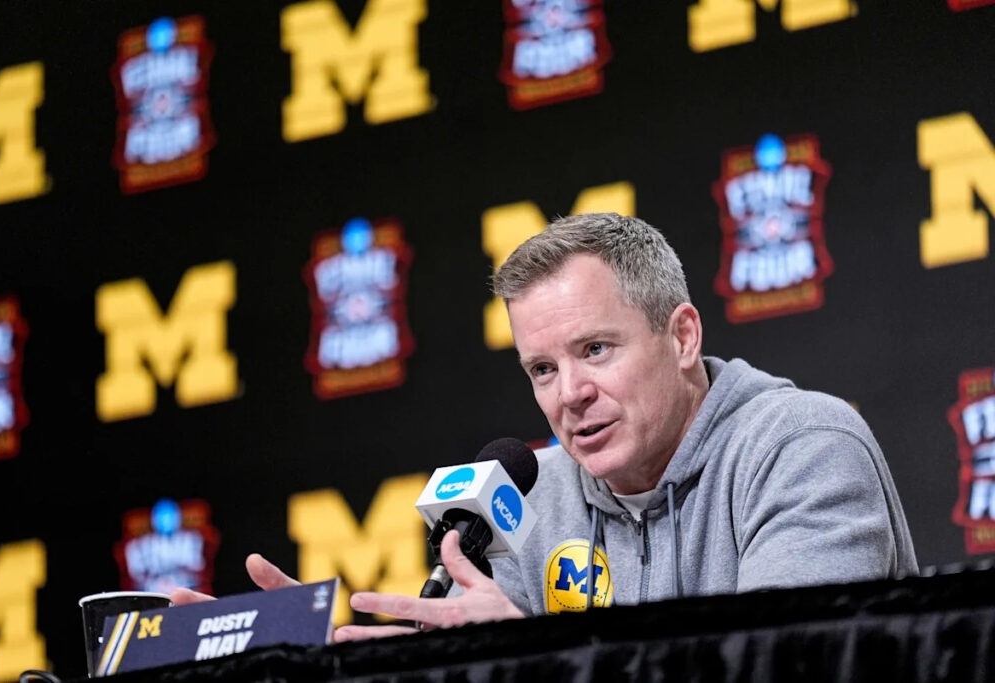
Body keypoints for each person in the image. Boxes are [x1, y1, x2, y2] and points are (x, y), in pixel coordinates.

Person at [172, 212, 918, 640]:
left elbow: (777, 666)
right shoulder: (527, 497)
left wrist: (529, 655)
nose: (571, 395)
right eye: (543, 369)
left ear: (682, 336)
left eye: (595, 349)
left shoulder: (803, 449)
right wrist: (292, 658)